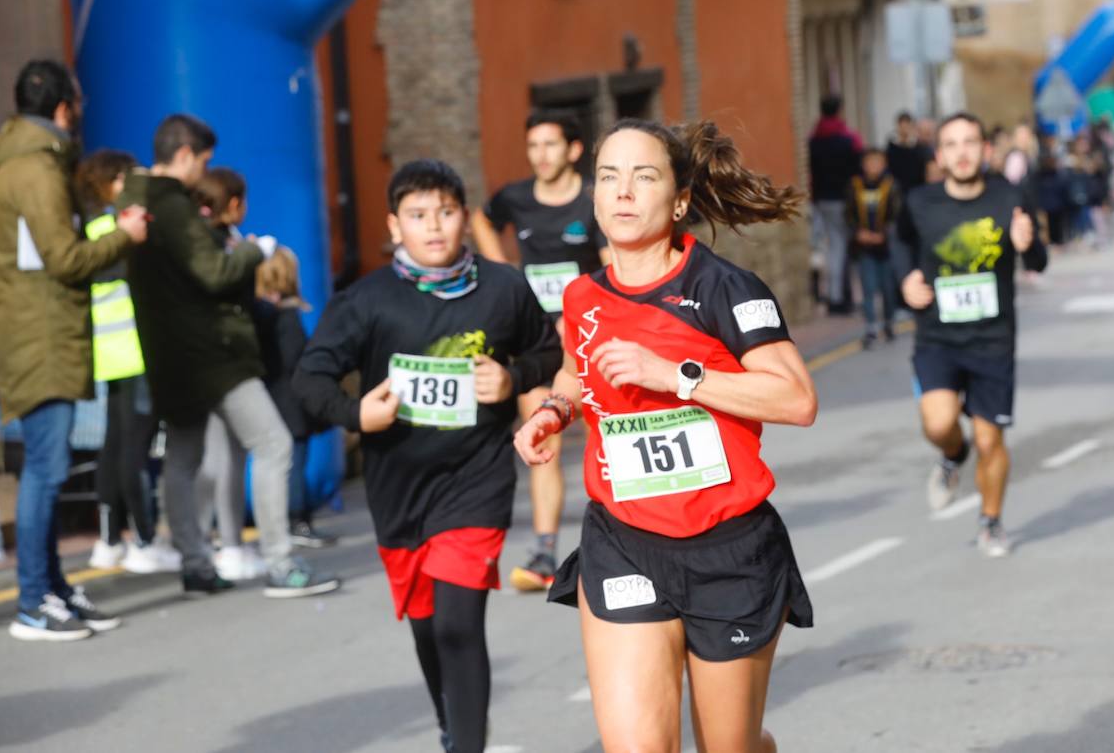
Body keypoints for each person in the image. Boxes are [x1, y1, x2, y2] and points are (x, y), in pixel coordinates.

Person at [514, 118, 818, 753]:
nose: (623, 191)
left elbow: (796, 399)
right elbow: (576, 371)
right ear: (594, 198)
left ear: (679, 201)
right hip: (623, 541)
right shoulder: (582, 297)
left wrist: (675, 375)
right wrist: (553, 410)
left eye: (643, 176)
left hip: (728, 550)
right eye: (609, 177)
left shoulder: (725, 290)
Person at [295, 159, 561, 753]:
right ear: (395, 226)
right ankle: (452, 722)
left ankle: (466, 743)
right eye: (418, 216)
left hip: (476, 478)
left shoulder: (502, 287)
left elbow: (548, 349)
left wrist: (513, 376)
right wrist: (355, 415)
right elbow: (309, 379)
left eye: (445, 212)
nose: (434, 227)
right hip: (399, 491)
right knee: (426, 628)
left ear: (464, 217)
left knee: (458, 623)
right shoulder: (366, 301)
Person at [119, 115, 338, 598]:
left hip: (167, 356)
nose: (204, 171)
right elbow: (214, 272)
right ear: (183, 155)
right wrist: (255, 253)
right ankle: (281, 563)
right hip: (212, 353)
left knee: (184, 456)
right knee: (274, 444)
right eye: (202, 160)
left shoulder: (132, 201)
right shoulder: (172, 206)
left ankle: (195, 564)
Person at [0, 60, 146, 640]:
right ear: (63, 108)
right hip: (42, 335)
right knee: (46, 472)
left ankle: (49, 589)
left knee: (46, 471)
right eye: (77, 102)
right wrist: (123, 237)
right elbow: (66, 259)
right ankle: (33, 602)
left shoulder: (24, 162)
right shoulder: (37, 168)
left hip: (36, 330)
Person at [896, 112, 1047, 557]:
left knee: (990, 440)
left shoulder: (1009, 197)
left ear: (986, 150)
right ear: (940, 155)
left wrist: (1028, 245)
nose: (962, 152)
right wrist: (906, 280)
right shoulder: (920, 202)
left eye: (970, 142)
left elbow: (1038, 262)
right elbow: (900, 242)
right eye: (952, 144)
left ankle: (991, 520)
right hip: (937, 337)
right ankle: (951, 456)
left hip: (993, 340)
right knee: (938, 422)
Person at [470, 110, 609, 592]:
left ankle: (624, 533)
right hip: (537, 341)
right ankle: (545, 551)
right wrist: (503, 268)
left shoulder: (594, 200)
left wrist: (585, 313)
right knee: (541, 434)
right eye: (533, 146)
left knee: (607, 437)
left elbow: (614, 269)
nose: (540, 155)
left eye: (550, 145)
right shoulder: (515, 198)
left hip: (590, 339)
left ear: (573, 150)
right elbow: (482, 219)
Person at [75, 150, 180, 575]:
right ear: (115, 183)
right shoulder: (124, 230)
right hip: (136, 350)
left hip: (108, 353)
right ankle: (144, 540)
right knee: (136, 450)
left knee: (114, 446)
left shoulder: (92, 229)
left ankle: (108, 540)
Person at [188, 167, 264, 581]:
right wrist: (253, 254)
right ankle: (230, 545)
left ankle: (209, 543)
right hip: (224, 361)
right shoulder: (219, 245)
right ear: (233, 203)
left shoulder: (207, 240)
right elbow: (223, 285)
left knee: (216, 457)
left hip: (203, 362)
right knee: (243, 453)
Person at [253, 246, 332, 548]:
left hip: (277, 399)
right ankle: (297, 519)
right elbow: (292, 358)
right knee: (293, 463)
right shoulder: (284, 317)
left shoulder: (266, 315)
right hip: (289, 403)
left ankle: (292, 519)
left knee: (288, 462)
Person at [808, 95, 862, 314]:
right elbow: (856, 171)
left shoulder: (814, 140)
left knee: (828, 248)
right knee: (838, 248)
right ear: (839, 110)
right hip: (841, 200)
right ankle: (836, 297)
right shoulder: (848, 140)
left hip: (821, 200)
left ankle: (834, 293)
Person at [845, 148, 901, 347]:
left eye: (877, 162)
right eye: (870, 162)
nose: (873, 166)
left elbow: (896, 213)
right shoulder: (855, 186)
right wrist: (858, 233)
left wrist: (884, 234)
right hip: (864, 247)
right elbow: (849, 213)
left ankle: (888, 322)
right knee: (868, 287)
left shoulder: (891, 186)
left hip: (885, 247)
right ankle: (871, 327)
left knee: (887, 288)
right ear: (863, 164)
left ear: (884, 164)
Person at [886, 110, 935, 197]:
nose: (904, 129)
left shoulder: (918, 146)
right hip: (898, 187)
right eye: (902, 126)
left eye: (907, 126)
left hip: (917, 186)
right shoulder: (892, 146)